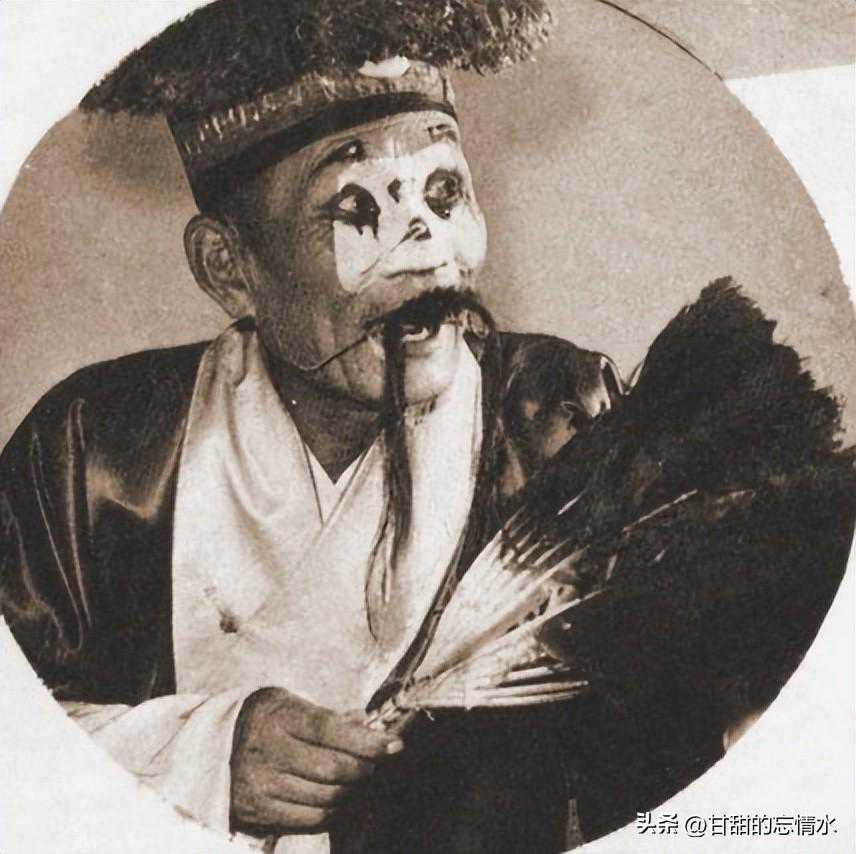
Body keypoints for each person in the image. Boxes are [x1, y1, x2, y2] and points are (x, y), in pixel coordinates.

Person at [0, 2, 726, 852]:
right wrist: (199, 756)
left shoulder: (559, 425)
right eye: (357, 207)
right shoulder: (97, 452)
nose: (431, 251)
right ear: (229, 268)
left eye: (445, 193)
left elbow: (671, 783)